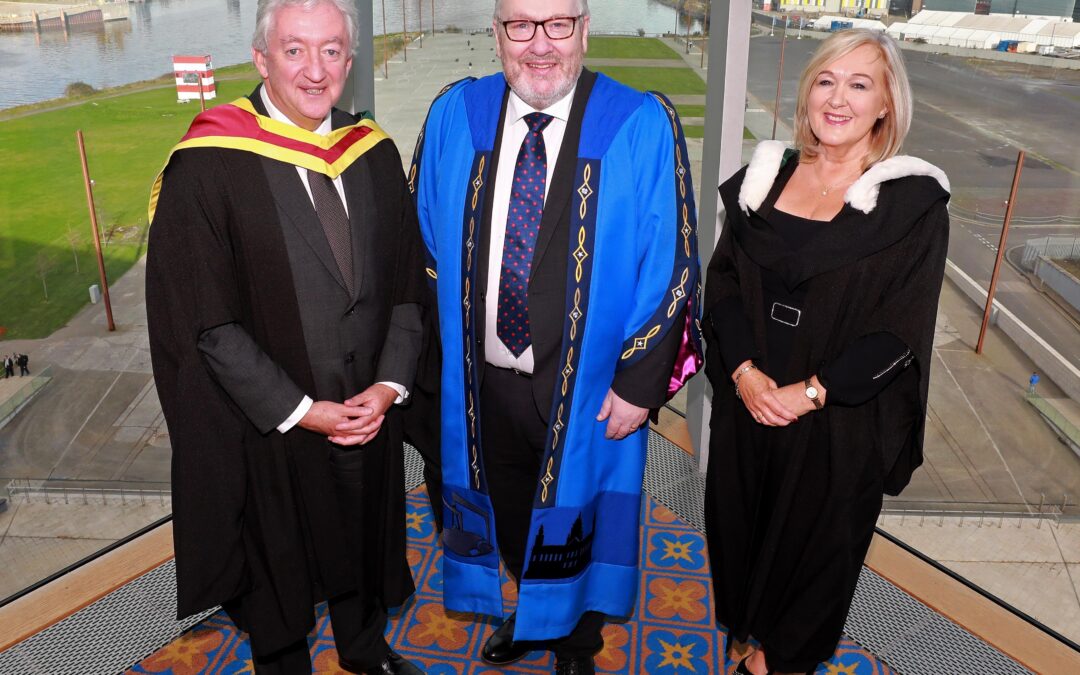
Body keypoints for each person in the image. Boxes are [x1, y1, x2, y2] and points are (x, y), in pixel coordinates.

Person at [410, 0, 702, 672]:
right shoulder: (456, 113)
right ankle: (533, 611)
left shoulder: (638, 123)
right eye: (520, 24)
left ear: (584, 28)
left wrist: (639, 384)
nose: (539, 45)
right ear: (497, 32)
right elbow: (422, 243)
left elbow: (671, 265)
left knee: (580, 515)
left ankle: (575, 638)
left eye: (558, 24)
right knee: (506, 509)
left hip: (592, 390)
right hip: (480, 384)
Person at [145, 1, 426, 673]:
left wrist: (388, 385)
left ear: (350, 65)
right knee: (277, 565)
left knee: (361, 537)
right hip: (270, 425)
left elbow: (408, 285)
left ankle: (364, 647)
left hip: (365, 413)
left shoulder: (374, 152)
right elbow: (205, 321)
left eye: (332, 51)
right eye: (294, 50)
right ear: (261, 58)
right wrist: (301, 410)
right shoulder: (209, 164)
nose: (314, 69)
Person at [702, 29, 950, 675]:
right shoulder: (765, 179)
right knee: (741, 555)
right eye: (826, 81)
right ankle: (746, 644)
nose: (838, 99)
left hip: (835, 433)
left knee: (804, 601)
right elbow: (723, 283)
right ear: (807, 92)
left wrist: (810, 391)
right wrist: (745, 371)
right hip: (749, 414)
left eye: (859, 84)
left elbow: (900, 328)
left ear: (886, 104)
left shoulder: (911, 205)